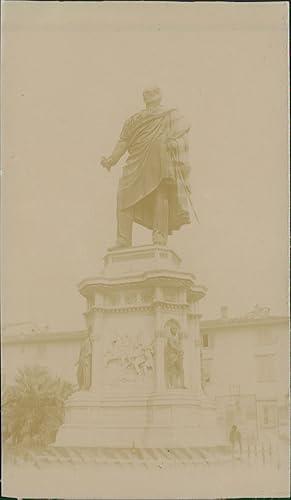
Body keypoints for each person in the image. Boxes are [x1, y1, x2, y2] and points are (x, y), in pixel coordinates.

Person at [101, 85, 191, 248]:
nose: (149, 95)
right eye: (146, 93)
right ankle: (123, 239)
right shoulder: (134, 119)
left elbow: (181, 135)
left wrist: (174, 143)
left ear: (159, 95)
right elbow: (123, 141)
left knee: (160, 194)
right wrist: (111, 159)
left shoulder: (171, 114)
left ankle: (159, 237)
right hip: (136, 161)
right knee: (123, 195)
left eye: (152, 92)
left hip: (160, 160)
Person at [165, 324, 185, 388]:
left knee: (181, 369)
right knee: (172, 370)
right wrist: (179, 350)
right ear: (171, 330)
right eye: (174, 329)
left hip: (178, 355)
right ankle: (170, 385)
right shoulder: (170, 338)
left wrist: (181, 351)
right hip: (172, 356)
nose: (175, 330)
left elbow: (179, 346)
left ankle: (182, 384)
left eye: (176, 329)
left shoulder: (177, 338)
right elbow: (172, 346)